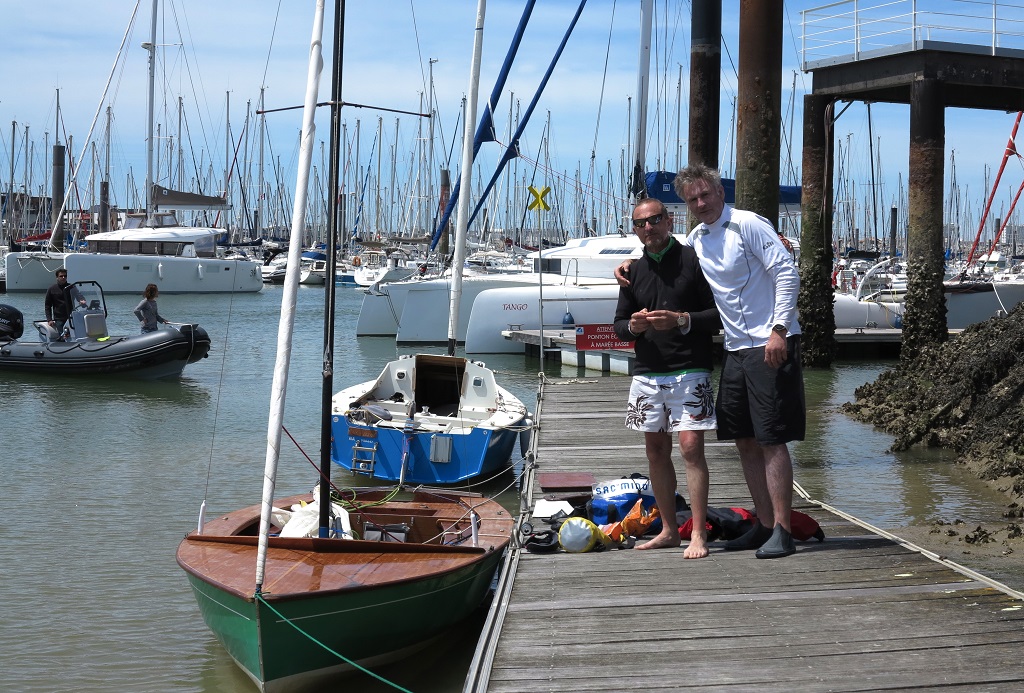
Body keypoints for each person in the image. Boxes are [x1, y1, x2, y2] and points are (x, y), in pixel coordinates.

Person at [615, 163, 805, 559]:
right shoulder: (697, 238)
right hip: (735, 348)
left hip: (768, 342)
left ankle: (784, 530)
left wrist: (780, 330)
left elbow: (786, 273)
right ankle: (765, 525)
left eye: (706, 194)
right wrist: (627, 265)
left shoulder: (748, 223)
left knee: (772, 437)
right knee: (745, 439)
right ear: (684, 206)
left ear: (720, 192)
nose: (700, 203)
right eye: (691, 199)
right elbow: (664, 256)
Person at [613, 198, 721, 559]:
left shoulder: (693, 260)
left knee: (691, 447)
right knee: (655, 450)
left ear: (668, 220)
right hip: (648, 372)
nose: (649, 228)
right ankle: (670, 530)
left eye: (655, 220)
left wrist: (681, 319)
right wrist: (634, 325)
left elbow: (717, 315)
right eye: (641, 223)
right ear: (635, 228)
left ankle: (699, 535)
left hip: (690, 366)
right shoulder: (631, 271)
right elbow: (619, 327)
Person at [44, 268, 86, 337]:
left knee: (77, 334)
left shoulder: (71, 287)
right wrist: (49, 319)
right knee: (64, 336)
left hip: (72, 316)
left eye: (65, 276)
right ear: (57, 277)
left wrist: (82, 300)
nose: (63, 277)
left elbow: (79, 295)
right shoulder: (51, 289)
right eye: (61, 276)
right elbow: (47, 306)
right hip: (59, 318)